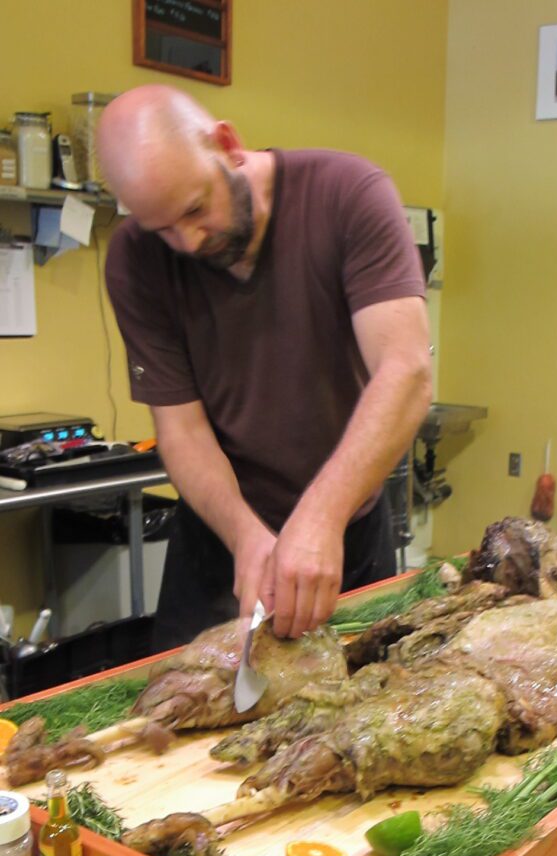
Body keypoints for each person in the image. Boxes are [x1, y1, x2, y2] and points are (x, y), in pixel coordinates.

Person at [97, 86, 432, 646]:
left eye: (196, 209)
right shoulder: (135, 259)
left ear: (227, 145)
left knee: (360, 717)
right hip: (221, 542)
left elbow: (406, 372)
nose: (188, 242)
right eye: (163, 229)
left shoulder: (348, 194)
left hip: (348, 527)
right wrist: (247, 539)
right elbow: (180, 428)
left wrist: (321, 516)